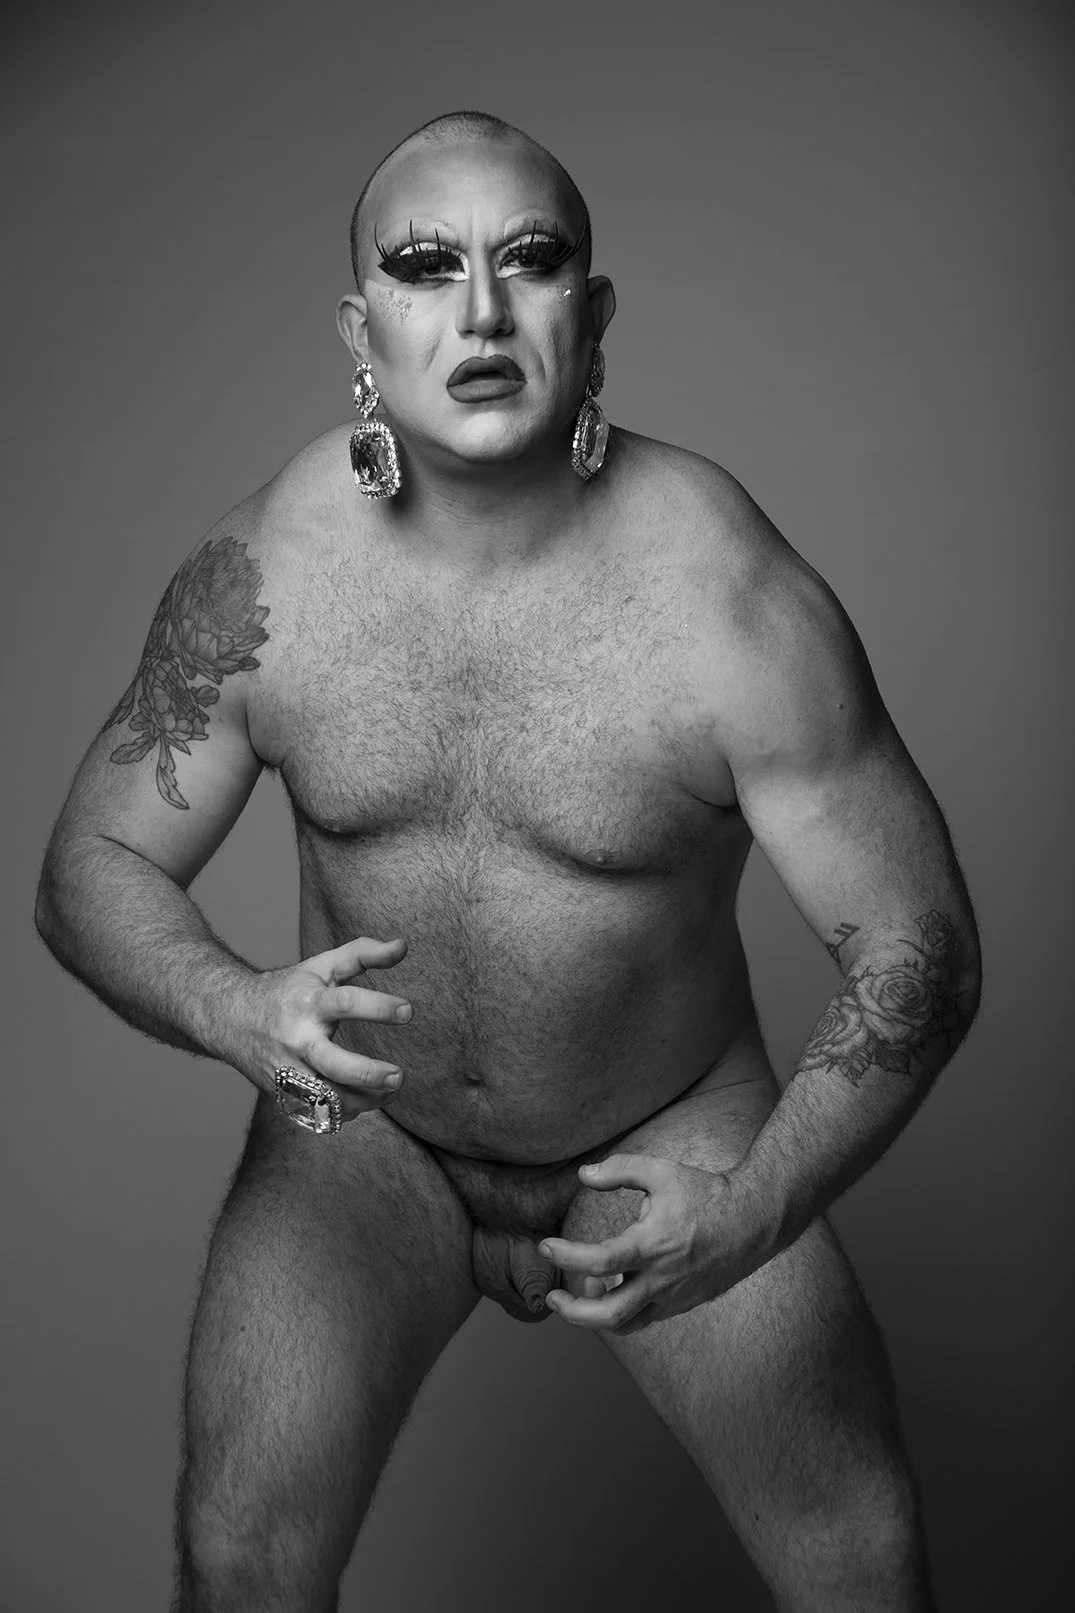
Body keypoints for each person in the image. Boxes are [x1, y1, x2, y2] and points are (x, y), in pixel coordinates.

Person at [35, 108, 981, 1613]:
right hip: (369, 1142)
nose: (479, 309)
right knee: (240, 1553)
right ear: (361, 330)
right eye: (424, 268)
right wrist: (233, 1007)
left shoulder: (729, 602)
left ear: (588, 314)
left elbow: (920, 949)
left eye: (527, 260)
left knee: (856, 1558)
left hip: (668, 1128)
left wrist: (755, 1206)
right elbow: (89, 861)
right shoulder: (271, 577)